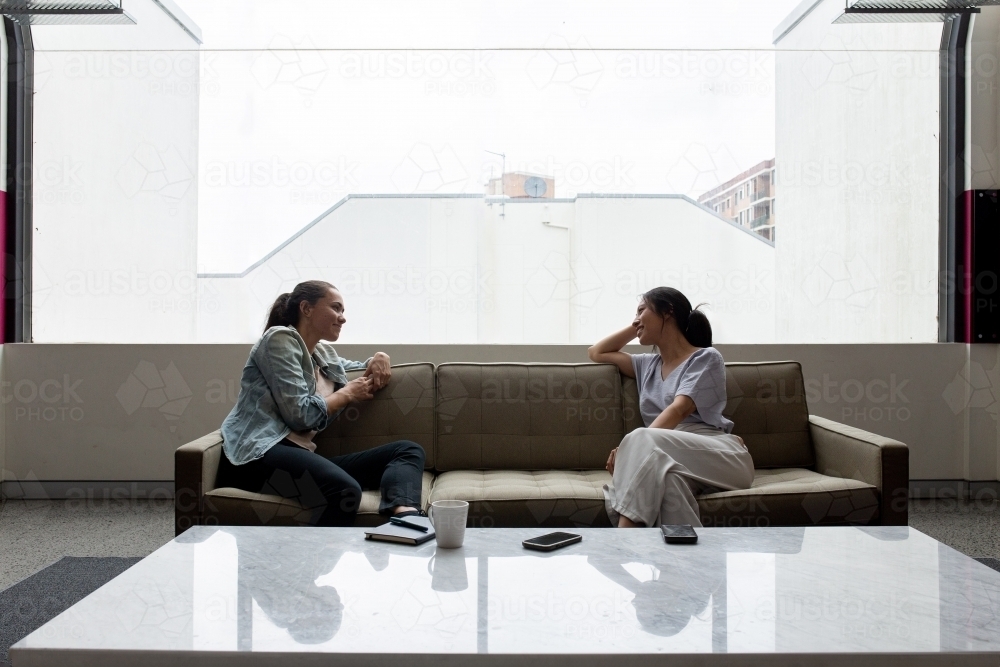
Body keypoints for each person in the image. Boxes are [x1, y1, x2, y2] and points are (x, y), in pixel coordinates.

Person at [216, 280, 425, 527]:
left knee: (407, 450)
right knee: (346, 491)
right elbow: (300, 416)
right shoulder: (279, 340)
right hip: (257, 458)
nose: (342, 318)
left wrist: (380, 357)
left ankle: (405, 517)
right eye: (336, 308)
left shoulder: (323, 354)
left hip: (294, 456)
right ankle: (310, 563)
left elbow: (357, 368)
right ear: (306, 308)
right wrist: (346, 394)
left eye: (343, 311)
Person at [588, 287, 753, 528]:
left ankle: (621, 542)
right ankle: (690, 563)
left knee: (641, 439)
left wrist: (632, 448)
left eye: (641, 310)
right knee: (667, 483)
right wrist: (639, 324)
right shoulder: (647, 366)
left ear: (667, 312)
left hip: (722, 458)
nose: (635, 319)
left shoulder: (705, 358)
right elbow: (597, 352)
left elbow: (680, 410)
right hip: (670, 461)